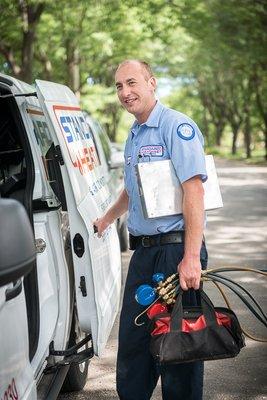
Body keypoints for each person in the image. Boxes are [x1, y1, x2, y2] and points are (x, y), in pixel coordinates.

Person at [93, 59, 208, 400]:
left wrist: (190, 257)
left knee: (178, 346)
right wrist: (107, 218)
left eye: (131, 83)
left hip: (175, 251)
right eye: (118, 86)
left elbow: (194, 191)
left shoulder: (176, 126)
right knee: (135, 340)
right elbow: (133, 188)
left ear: (152, 83)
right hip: (144, 252)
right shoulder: (133, 134)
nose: (125, 92)